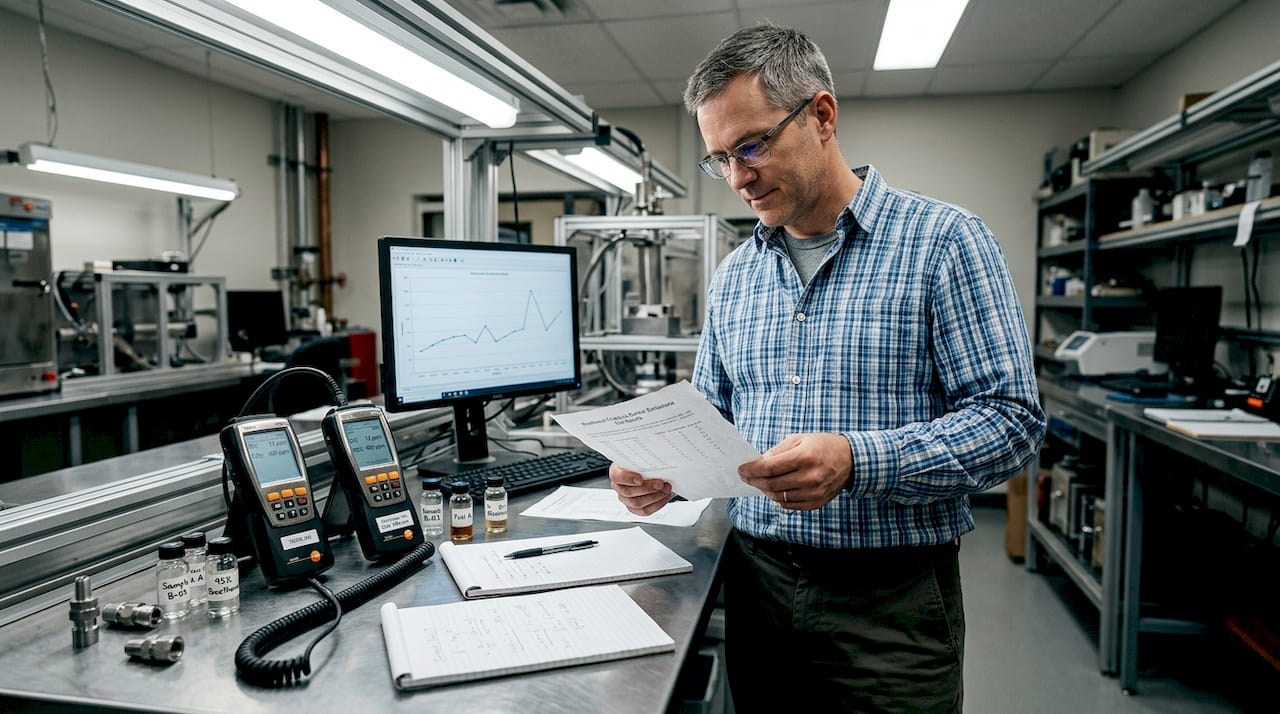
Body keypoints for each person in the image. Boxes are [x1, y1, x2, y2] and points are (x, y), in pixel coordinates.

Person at [608, 23, 1045, 713]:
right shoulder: (735, 277)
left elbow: (1011, 424)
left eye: (751, 145)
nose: (737, 178)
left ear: (821, 116)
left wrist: (856, 460)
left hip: (890, 604)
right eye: (719, 158)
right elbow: (709, 417)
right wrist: (659, 465)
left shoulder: (945, 244)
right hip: (755, 582)